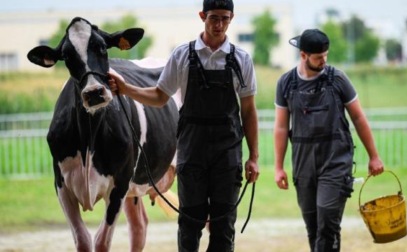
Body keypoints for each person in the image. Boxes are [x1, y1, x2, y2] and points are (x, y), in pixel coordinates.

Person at [108, 0, 260, 251]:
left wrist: (253, 157)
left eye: (224, 18)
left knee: (224, 227)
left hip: (228, 153)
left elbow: (249, 111)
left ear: (232, 18)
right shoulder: (182, 55)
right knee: (190, 224)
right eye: (213, 17)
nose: (219, 24)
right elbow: (159, 96)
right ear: (202, 16)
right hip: (192, 150)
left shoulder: (242, 59)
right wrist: (126, 89)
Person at [273, 29, 384, 252]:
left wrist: (374, 156)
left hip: (336, 162)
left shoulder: (338, 79)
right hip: (303, 164)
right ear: (303, 55)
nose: (324, 60)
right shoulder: (286, 83)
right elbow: (281, 127)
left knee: (327, 224)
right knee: (314, 228)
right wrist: (278, 167)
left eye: (326, 55)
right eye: (318, 57)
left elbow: (359, 118)